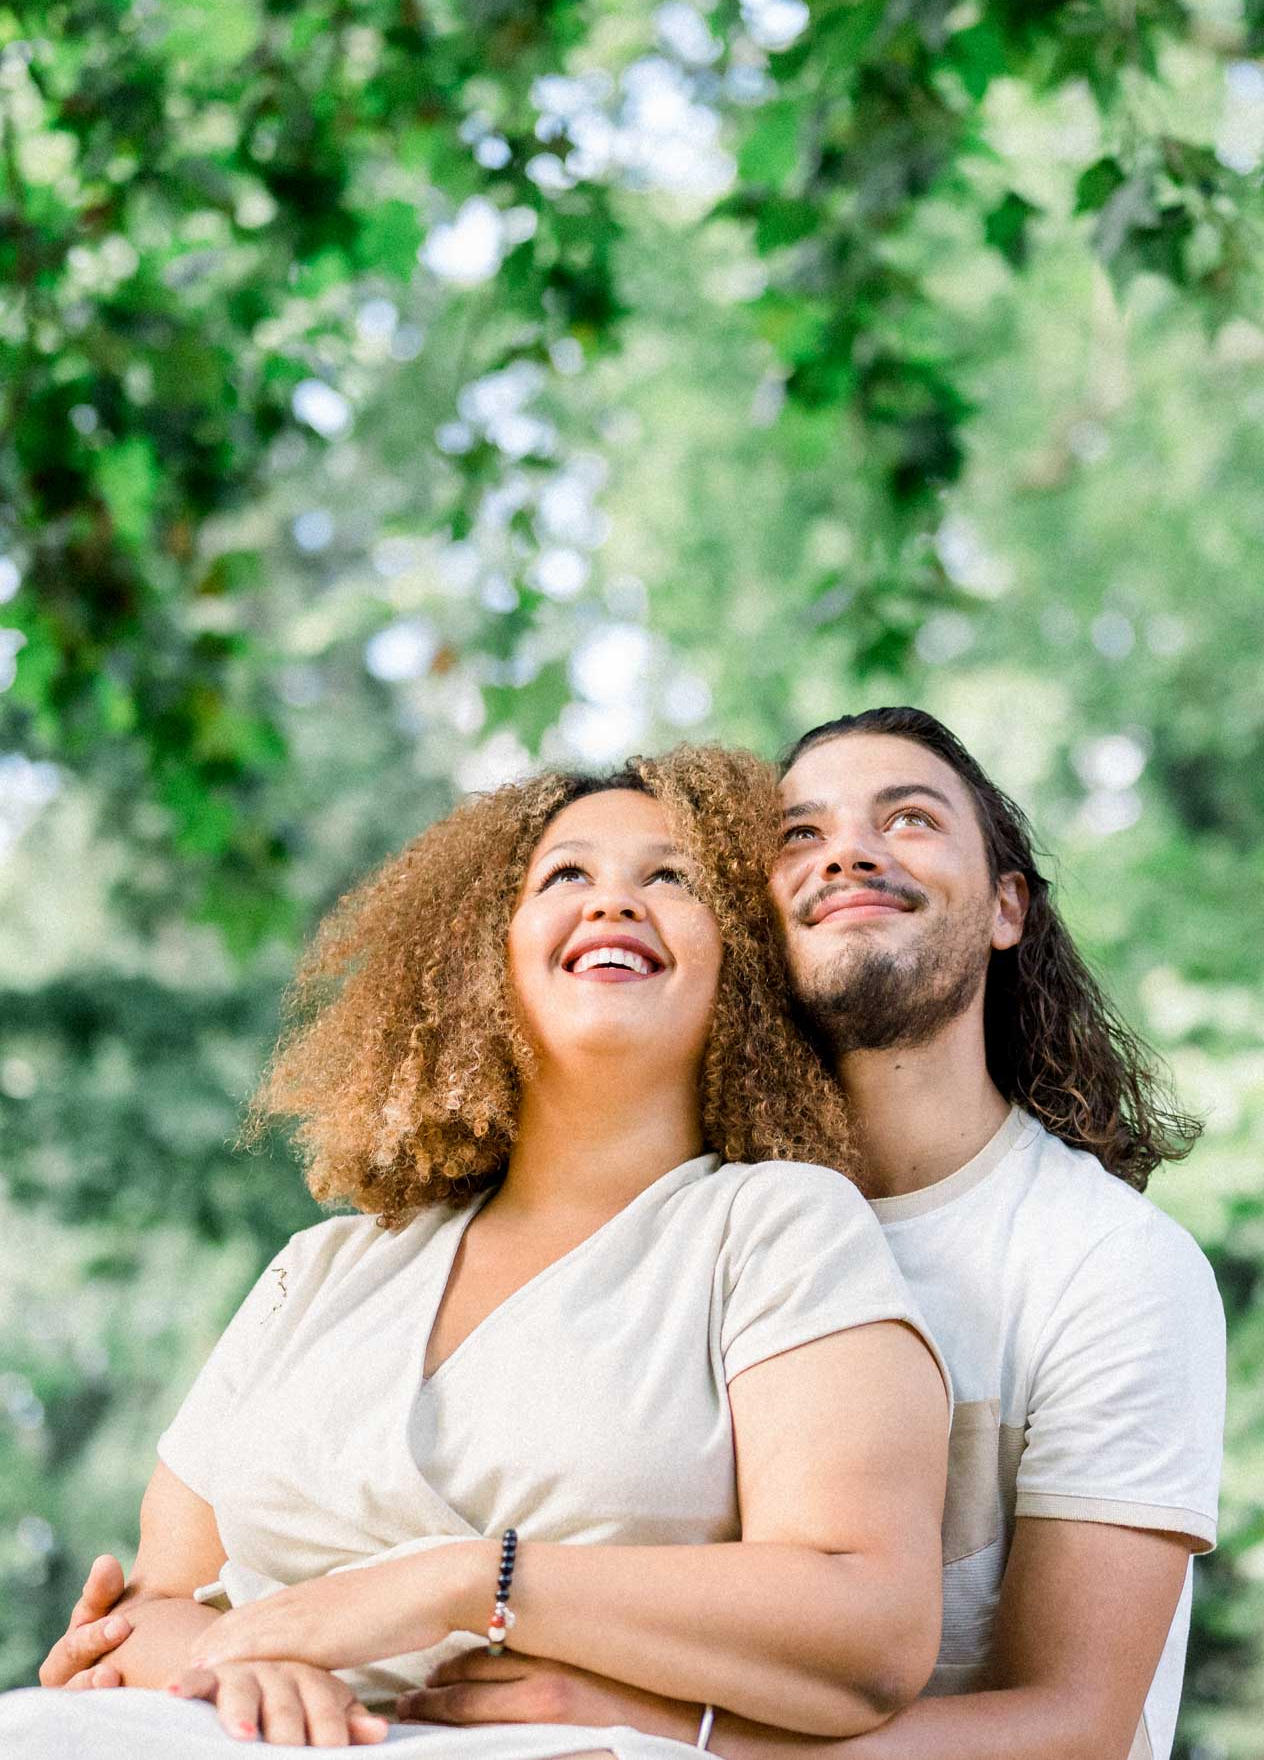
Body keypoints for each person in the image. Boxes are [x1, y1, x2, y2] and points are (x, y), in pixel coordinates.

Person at [224, 708, 1218, 1760]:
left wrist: (660, 1732)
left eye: (911, 817)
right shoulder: (686, 1237)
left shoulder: (1108, 1263)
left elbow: (1076, 1728)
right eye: (798, 833)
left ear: (1008, 906)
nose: (847, 849)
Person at [11, 744, 950, 1754]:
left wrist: (465, 1583)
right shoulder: (323, 1268)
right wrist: (256, 1663)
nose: (613, 902)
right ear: (483, 960)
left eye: (670, 877)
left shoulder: (776, 1227)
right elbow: (139, 1612)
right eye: (565, 875)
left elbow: (870, 1628)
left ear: (745, 965)